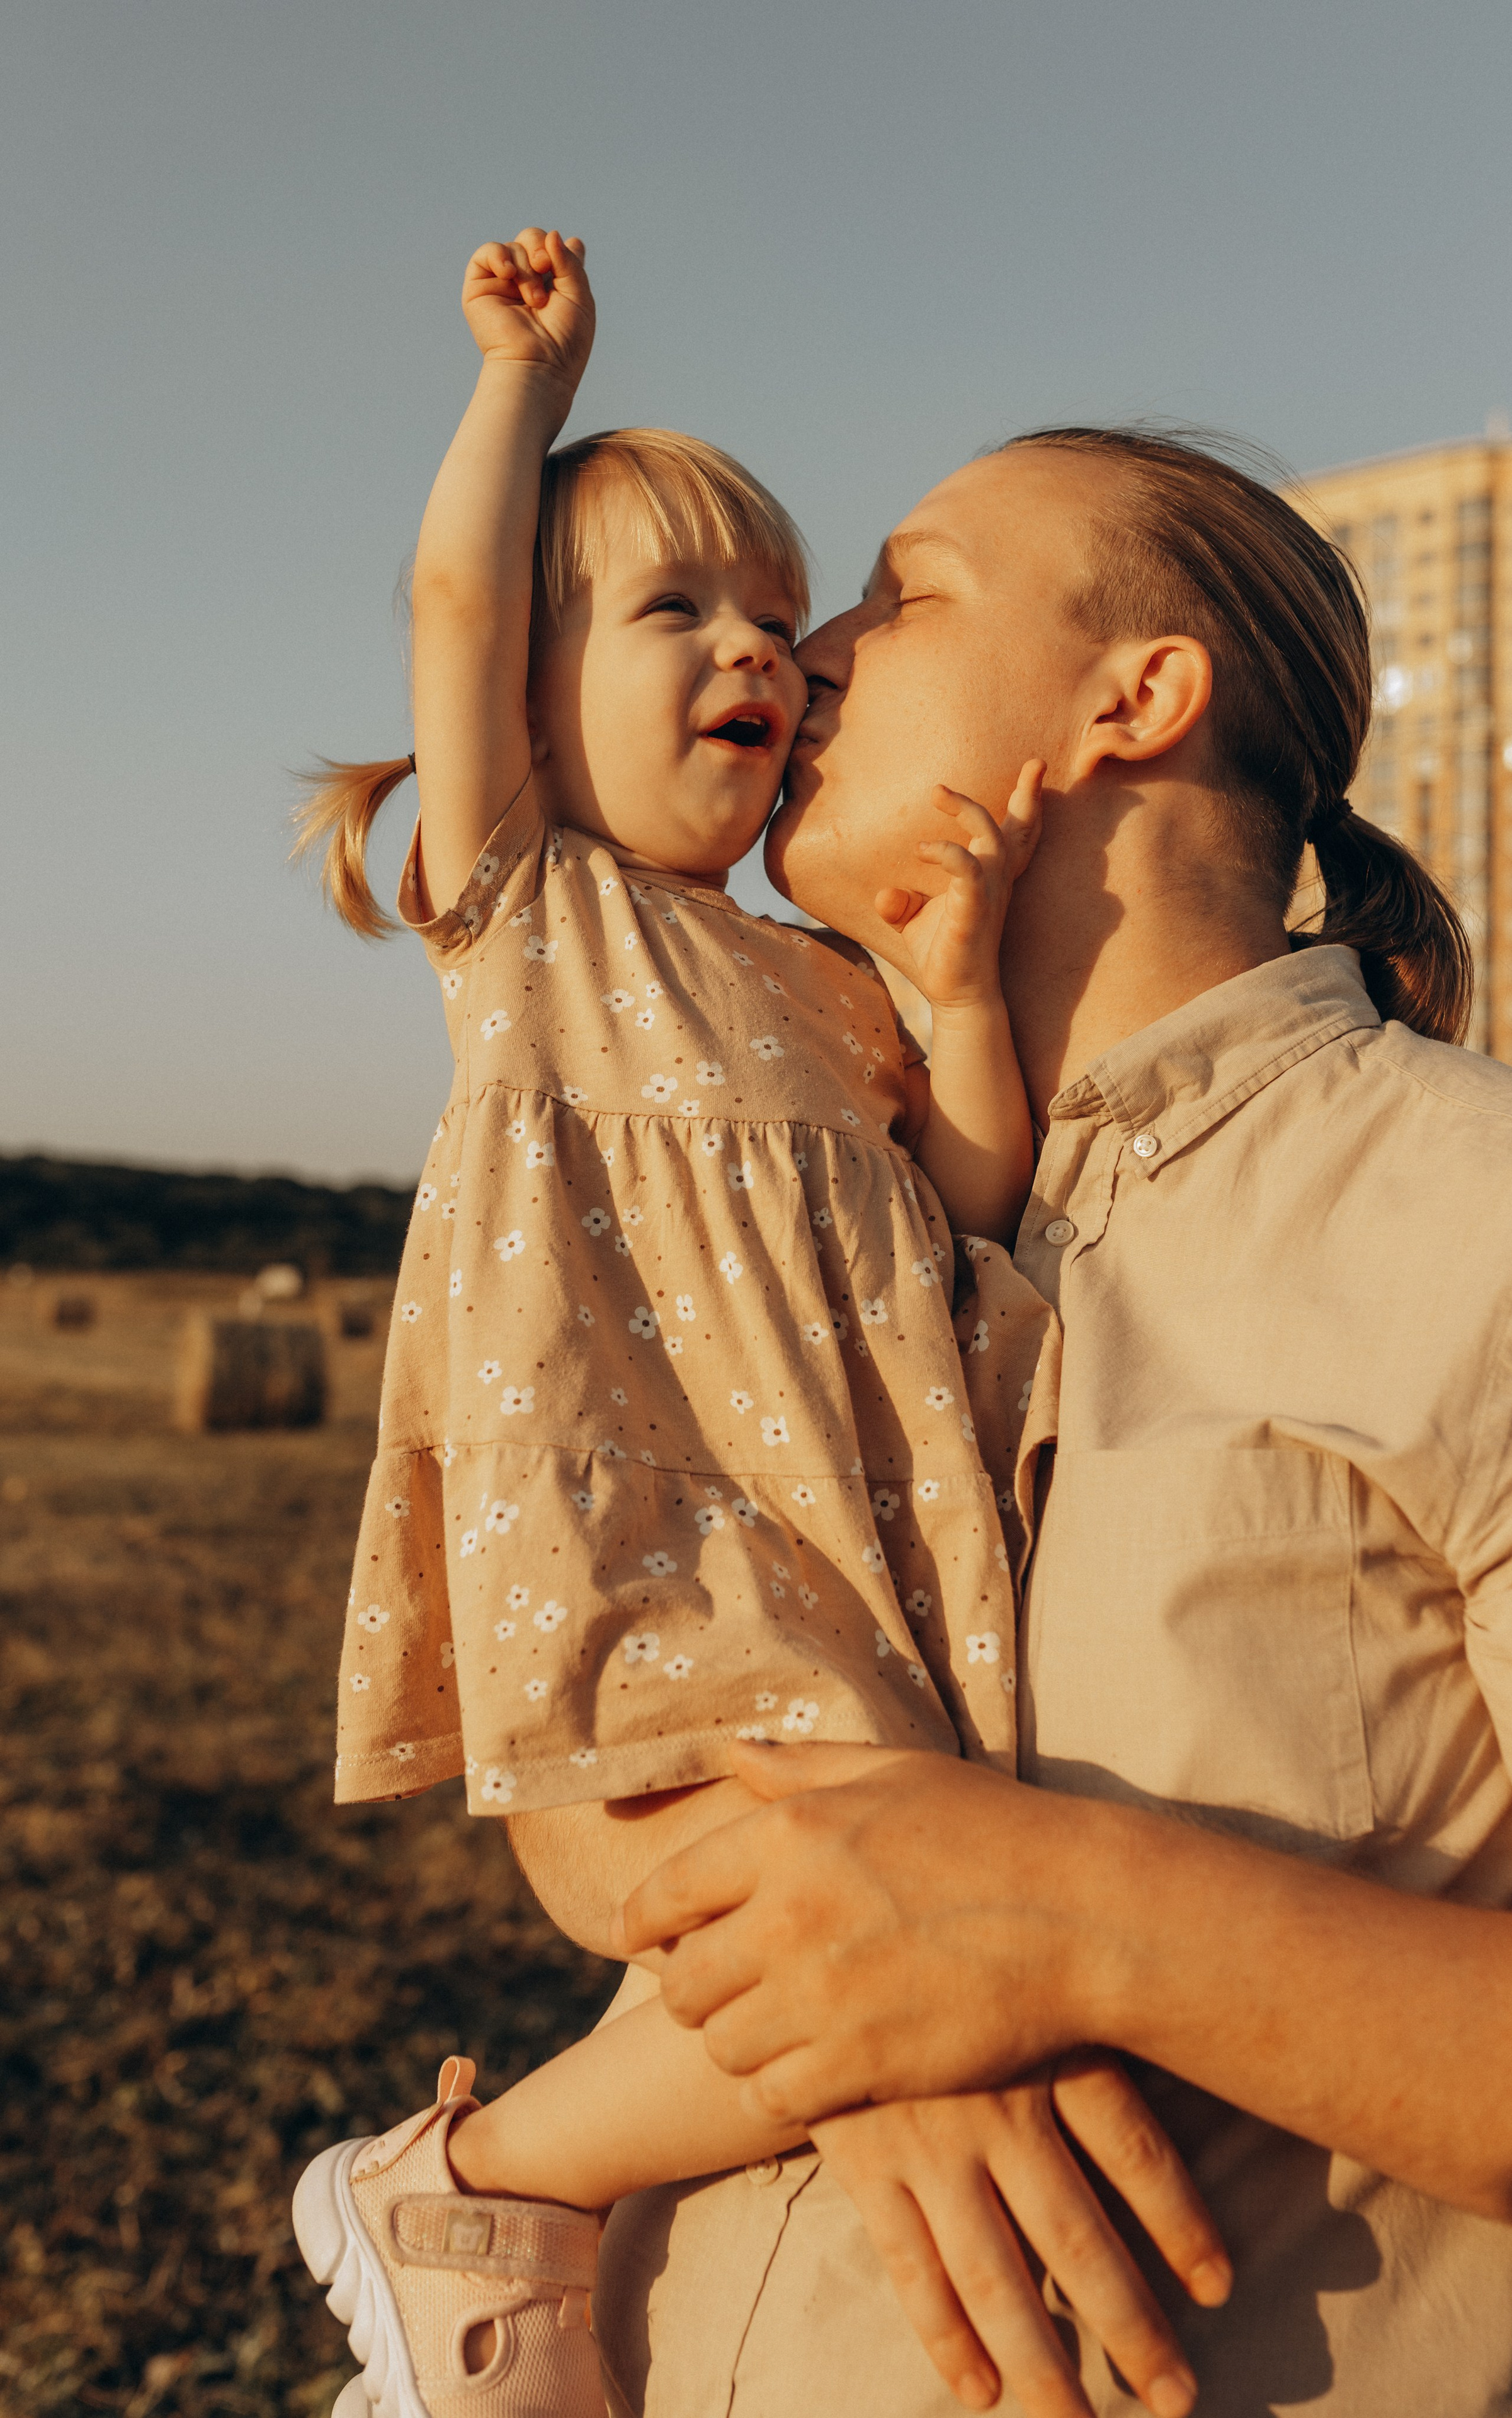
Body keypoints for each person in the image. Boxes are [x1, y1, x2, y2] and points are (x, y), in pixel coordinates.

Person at [288, 237, 1225, 2418]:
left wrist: (966, 986)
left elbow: (975, 1207)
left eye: (776, 622)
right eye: (672, 612)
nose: (760, 656)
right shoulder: (537, 904)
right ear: (530, 698)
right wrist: (527, 383)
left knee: (837, 1974)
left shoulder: (829, 986)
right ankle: (459, 2186)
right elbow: (451, 599)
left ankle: (502, 2218)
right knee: (878, 1977)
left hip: (845, 1548)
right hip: (642, 1536)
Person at [605, 427, 1512, 2416]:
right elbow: (593, 1752)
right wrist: (836, 2004)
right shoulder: (796, 1196)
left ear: (1136, 699)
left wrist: (1071, 1926)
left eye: (904, 596)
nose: (807, 652)